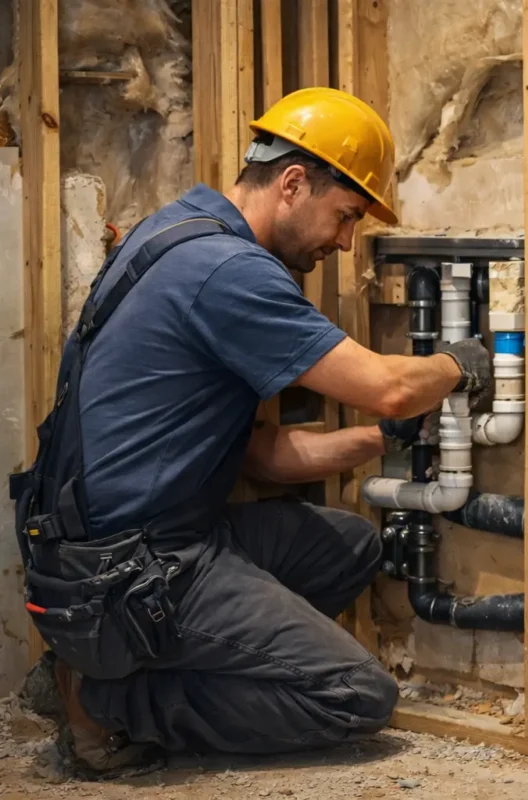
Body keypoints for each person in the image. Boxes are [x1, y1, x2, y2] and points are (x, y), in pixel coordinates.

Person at [10, 87, 492, 777]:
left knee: (351, 546)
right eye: (346, 215)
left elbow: (261, 455)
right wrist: (460, 364)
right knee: (355, 696)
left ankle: (118, 658)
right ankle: (107, 694)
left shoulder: (174, 229)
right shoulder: (230, 273)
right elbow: (387, 385)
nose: (346, 240)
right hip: (134, 566)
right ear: (293, 183)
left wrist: (378, 444)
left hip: (113, 547)